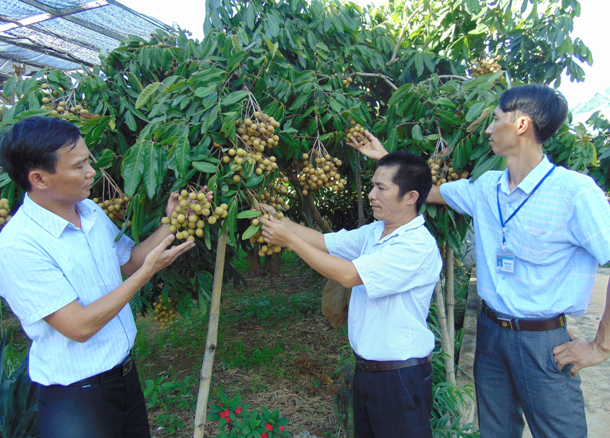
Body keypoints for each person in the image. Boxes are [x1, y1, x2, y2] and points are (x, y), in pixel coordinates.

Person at [348, 84, 610, 438]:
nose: (487, 128)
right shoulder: (488, 187)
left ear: (521, 125)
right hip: (489, 334)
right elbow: (425, 191)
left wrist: (600, 347)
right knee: (496, 431)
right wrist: (385, 159)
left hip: (543, 342)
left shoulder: (574, 193)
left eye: (496, 119)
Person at [0, 116, 200, 438]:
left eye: (88, 161)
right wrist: (148, 273)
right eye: (79, 166)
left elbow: (131, 261)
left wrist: (172, 221)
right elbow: (78, 326)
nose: (92, 172)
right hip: (76, 399)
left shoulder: (90, 212)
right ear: (39, 178)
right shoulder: (17, 246)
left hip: (124, 377)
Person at [261, 151, 442, 438]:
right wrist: (277, 220)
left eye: (381, 188)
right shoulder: (375, 232)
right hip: (368, 372)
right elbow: (323, 242)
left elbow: (348, 275)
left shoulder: (416, 246)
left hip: (399, 378)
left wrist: (290, 242)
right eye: (372, 186)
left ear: (410, 197)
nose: (371, 194)